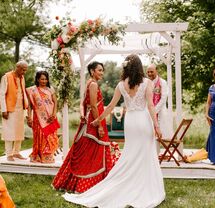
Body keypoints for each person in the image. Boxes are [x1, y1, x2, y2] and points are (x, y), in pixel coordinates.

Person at [63, 54, 165, 208]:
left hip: (130, 122)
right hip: (143, 120)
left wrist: (98, 119)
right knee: (145, 153)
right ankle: (143, 187)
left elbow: (110, 107)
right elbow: (151, 106)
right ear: (139, 66)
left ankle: (130, 184)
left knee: (131, 153)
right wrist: (157, 126)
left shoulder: (121, 85)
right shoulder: (147, 83)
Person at [52, 61, 114, 193]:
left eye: (102, 70)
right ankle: (87, 184)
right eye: (99, 70)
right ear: (92, 71)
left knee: (89, 151)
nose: (102, 73)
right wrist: (99, 125)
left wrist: (83, 115)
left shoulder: (89, 83)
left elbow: (83, 104)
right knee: (91, 151)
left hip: (90, 120)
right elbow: (92, 105)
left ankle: (84, 183)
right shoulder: (93, 84)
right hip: (93, 122)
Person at [26, 71, 60, 163]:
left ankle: (48, 154)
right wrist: (29, 117)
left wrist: (54, 114)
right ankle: (39, 154)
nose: (44, 81)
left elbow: (55, 102)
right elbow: (30, 105)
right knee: (40, 135)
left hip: (50, 117)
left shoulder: (50, 89)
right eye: (42, 79)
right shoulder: (33, 90)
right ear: (38, 79)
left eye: (45, 79)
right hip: (38, 117)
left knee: (50, 136)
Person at [0, 60, 29, 162]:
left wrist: (26, 105)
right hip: (9, 108)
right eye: (23, 70)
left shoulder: (22, 78)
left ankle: (16, 152)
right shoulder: (6, 77)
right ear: (18, 67)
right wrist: (4, 110)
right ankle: (9, 154)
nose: (24, 72)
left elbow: (23, 92)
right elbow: (2, 94)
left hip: (20, 108)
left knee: (19, 131)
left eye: (25, 70)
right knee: (9, 131)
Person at [146, 64, 173, 155]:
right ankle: (150, 154)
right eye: (148, 72)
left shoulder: (162, 82)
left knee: (159, 134)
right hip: (148, 111)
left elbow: (163, 98)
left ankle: (156, 155)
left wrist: (154, 111)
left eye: (151, 71)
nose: (149, 73)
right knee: (149, 133)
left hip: (159, 111)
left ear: (156, 71)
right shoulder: (145, 82)